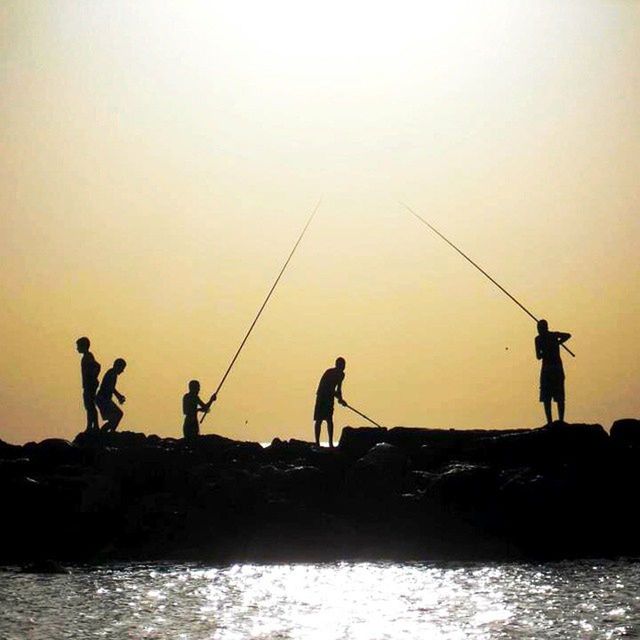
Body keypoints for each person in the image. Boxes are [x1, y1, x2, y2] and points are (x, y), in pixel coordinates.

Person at [535, 319, 571, 425]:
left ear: (545, 328)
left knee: (559, 395)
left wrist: (558, 342)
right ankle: (550, 421)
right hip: (548, 368)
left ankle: (560, 420)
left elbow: (568, 335)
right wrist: (550, 347)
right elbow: (538, 356)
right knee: (547, 397)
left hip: (554, 368)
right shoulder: (539, 339)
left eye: (540, 328)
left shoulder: (552, 336)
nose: (539, 330)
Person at [314, 357, 347, 448]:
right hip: (322, 396)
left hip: (329, 398)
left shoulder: (342, 375)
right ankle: (317, 443)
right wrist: (338, 397)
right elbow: (325, 387)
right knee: (319, 420)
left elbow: (338, 389)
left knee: (329, 420)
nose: (343, 367)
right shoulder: (329, 372)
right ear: (337, 365)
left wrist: (341, 399)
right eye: (341, 365)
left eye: (344, 365)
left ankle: (330, 443)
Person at [75, 337, 101, 432]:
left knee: (90, 406)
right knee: (89, 406)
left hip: (90, 385)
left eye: (78, 346)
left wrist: (93, 377)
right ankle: (92, 426)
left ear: (84, 346)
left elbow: (98, 366)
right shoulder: (86, 357)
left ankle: (92, 426)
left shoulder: (88, 356)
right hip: (88, 385)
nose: (77, 348)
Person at [96, 358, 127, 432]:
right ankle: (110, 432)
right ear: (118, 366)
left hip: (104, 399)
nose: (122, 371)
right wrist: (119, 396)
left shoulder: (112, 373)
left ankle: (107, 432)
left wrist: (119, 396)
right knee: (118, 415)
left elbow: (112, 388)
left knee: (115, 417)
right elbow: (111, 387)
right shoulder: (112, 373)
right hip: (103, 399)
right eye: (122, 368)